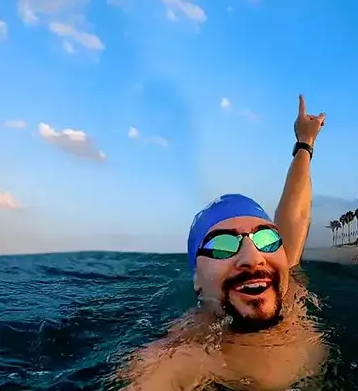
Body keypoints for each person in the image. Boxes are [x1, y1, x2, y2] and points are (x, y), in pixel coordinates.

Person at [119, 95, 327, 391]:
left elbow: (295, 212)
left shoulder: (285, 281)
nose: (253, 257)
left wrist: (305, 141)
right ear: (197, 281)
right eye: (223, 246)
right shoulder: (183, 356)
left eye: (266, 238)